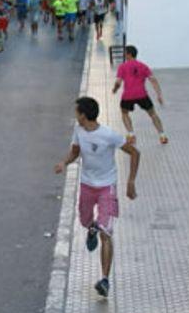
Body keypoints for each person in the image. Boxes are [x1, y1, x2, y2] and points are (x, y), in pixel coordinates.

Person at [54, 97, 140, 299]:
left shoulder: (109, 135)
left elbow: (135, 153)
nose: (75, 115)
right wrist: (64, 163)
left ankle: (104, 280)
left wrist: (131, 181)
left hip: (106, 188)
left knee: (106, 233)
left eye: (77, 112)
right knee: (85, 221)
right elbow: (75, 152)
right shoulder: (79, 131)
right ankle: (92, 227)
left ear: (83, 115)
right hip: (86, 186)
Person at [112, 46, 169, 145]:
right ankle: (162, 136)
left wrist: (115, 89)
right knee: (153, 114)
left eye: (125, 53)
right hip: (142, 95)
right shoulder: (143, 66)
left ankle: (131, 135)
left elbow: (118, 82)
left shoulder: (122, 67)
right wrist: (159, 95)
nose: (124, 55)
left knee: (124, 113)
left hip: (128, 96)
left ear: (129, 54)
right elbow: (153, 80)